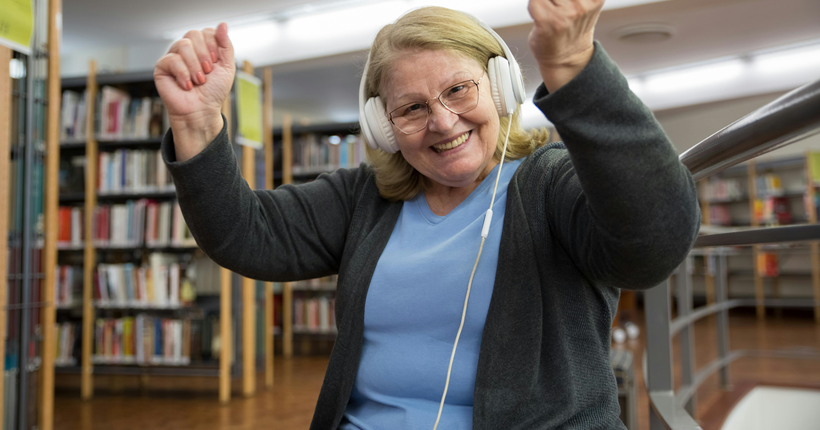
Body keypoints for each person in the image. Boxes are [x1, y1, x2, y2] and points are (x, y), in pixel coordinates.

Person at [154, 1, 700, 429]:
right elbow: (246, 235)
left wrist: (575, 71)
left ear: (501, 86)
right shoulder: (364, 198)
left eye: (458, 90)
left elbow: (653, 244)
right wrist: (199, 125)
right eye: (412, 108)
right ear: (382, 127)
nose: (442, 121)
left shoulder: (549, 182)